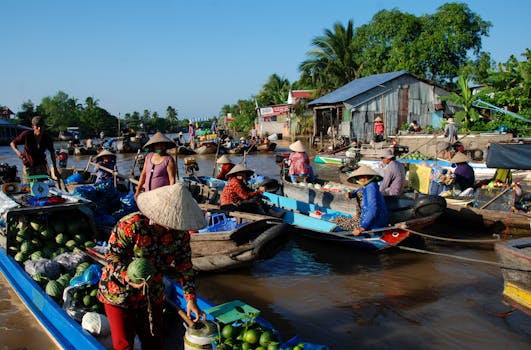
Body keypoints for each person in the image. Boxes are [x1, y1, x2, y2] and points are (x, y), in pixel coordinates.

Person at [97, 183, 206, 350]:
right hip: (119, 292)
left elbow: (184, 266)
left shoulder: (180, 234)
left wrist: (190, 299)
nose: (172, 226)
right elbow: (112, 257)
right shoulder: (131, 226)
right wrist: (126, 276)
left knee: (154, 341)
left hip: (152, 293)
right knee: (124, 344)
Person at [345, 165, 389, 236]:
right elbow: (359, 190)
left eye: (359, 178)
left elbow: (373, 209)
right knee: (359, 193)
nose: (358, 180)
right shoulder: (368, 186)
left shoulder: (371, 188)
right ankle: (359, 216)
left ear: (366, 178)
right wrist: (351, 194)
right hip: (367, 219)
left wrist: (362, 227)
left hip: (374, 223)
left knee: (338, 220)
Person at [135, 132, 176, 200]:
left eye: (162, 144)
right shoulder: (148, 157)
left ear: (165, 146)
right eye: (158, 144)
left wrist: (171, 196)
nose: (160, 147)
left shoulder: (168, 160)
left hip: (162, 196)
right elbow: (143, 175)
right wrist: (138, 190)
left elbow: (172, 180)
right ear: (154, 146)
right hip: (148, 194)